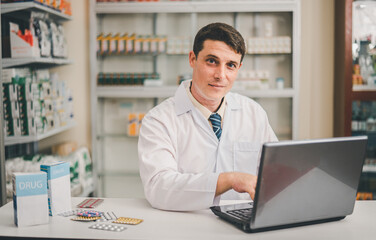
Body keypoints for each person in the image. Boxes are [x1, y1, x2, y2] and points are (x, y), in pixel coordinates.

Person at [138, 22, 278, 211]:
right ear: (192, 59)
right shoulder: (159, 120)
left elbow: (275, 172)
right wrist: (228, 180)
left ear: (239, 68)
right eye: (212, 61)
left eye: (231, 65)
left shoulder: (254, 113)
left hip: (243, 225)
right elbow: (159, 188)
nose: (221, 75)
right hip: (184, 226)